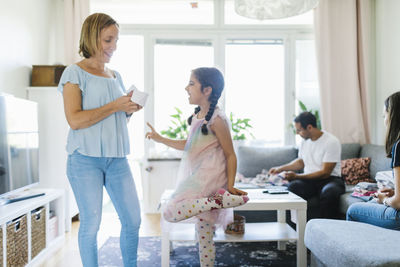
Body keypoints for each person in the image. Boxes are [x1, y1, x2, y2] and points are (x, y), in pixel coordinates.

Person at [58, 13, 142, 267]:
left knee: (133, 220)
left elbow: (115, 119)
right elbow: (75, 120)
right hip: (84, 160)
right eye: (108, 40)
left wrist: (126, 111)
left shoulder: (115, 76)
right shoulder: (74, 73)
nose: (113, 47)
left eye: (116, 40)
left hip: (117, 159)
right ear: (92, 38)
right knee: (91, 224)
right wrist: (115, 105)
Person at [145, 67, 249, 266]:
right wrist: (160, 138)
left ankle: (216, 200)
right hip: (199, 181)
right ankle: (207, 262)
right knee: (204, 236)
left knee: (169, 212)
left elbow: (230, 154)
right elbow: (188, 145)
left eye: (191, 83)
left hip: (208, 181)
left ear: (207, 90)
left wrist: (231, 185)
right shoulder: (197, 117)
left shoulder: (217, 119)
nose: (187, 88)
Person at [269, 112, 345, 219]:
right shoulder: (305, 142)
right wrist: (280, 168)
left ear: (309, 127)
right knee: (293, 187)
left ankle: (325, 229)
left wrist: (296, 176)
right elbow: (301, 162)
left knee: (329, 192)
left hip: (330, 179)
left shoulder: (331, 141)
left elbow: (325, 173)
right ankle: (294, 229)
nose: (297, 133)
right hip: (310, 180)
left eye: (299, 130)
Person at [347, 92, 400, 230]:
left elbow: (398, 203)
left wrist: (385, 200)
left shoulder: (399, 146)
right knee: (371, 200)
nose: (385, 121)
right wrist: (395, 192)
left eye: (385, 115)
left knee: (353, 211)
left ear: (393, 116)